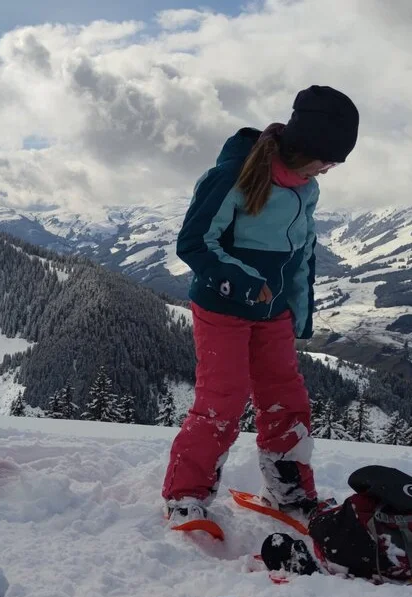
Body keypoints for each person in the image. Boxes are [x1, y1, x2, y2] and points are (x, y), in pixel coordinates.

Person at [162, 85, 359, 524]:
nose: (328, 169)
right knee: (222, 402)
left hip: (273, 314)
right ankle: (185, 495)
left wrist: (298, 310)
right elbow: (194, 243)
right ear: (304, 146)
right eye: (327, 159)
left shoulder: (307, 188)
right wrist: (247, 284)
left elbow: (303, 252)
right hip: (222, 309)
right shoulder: (233, 174)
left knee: (287, 402)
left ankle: (288, 493)